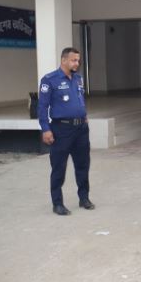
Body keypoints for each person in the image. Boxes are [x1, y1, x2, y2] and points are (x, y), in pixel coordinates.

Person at [38, 47, 94, 216]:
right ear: (63, 60)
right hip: (61, 129)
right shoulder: (50, 80)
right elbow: (42, 107)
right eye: (73, 60)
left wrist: (83, 115)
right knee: (59, 167)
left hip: (81, 129)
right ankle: (57, 203)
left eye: (78, 60)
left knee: (83, 165)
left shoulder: (78, 78)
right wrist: (45, 129)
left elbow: (79, 99)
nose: (77, 63)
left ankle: (84, 198)